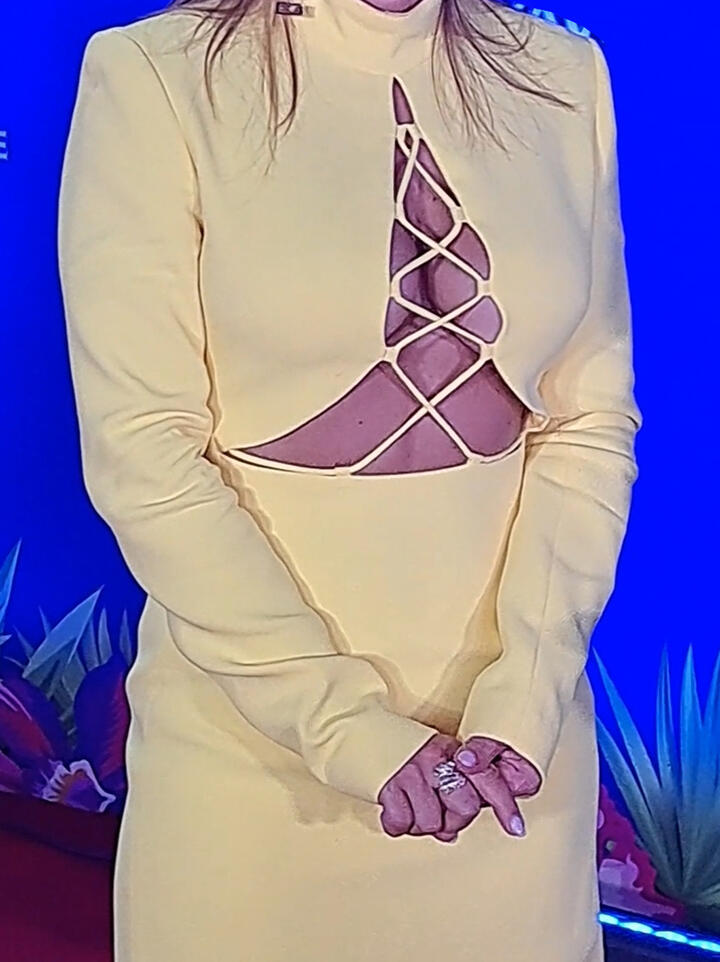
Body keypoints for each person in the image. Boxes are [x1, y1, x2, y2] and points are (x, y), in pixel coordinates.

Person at [56, 0, 642, 957]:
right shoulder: (157, 74)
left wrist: (525, 700)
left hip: (514, 775)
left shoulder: (562, 73)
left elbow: (587, 419)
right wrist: (343, 727)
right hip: (254, 776)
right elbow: (145, 454)